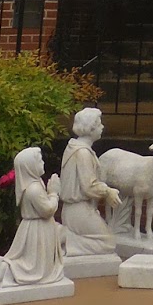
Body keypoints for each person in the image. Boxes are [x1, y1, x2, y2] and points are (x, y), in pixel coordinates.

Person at [0, 147, 65, 290]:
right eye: (39, 160)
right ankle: (5, 268)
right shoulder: (34, 189)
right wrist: (54, 193)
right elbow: (48, 210)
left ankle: (3, 265)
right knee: (33, 266)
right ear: (30, 167)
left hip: (35, 228)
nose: (43, 163)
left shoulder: (33, 185)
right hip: (38, 231)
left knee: (33, 262)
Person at [58, 107, 121, 255]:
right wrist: (108, 191)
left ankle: (66, 240)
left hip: (78, 207)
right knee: (107, 244)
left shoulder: (74, 147)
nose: (102, 127)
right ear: (91, 128)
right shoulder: (82, 153)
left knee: (106, 242)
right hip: (77, 208)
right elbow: (89, 186)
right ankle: (62, 239)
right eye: (99, 124)